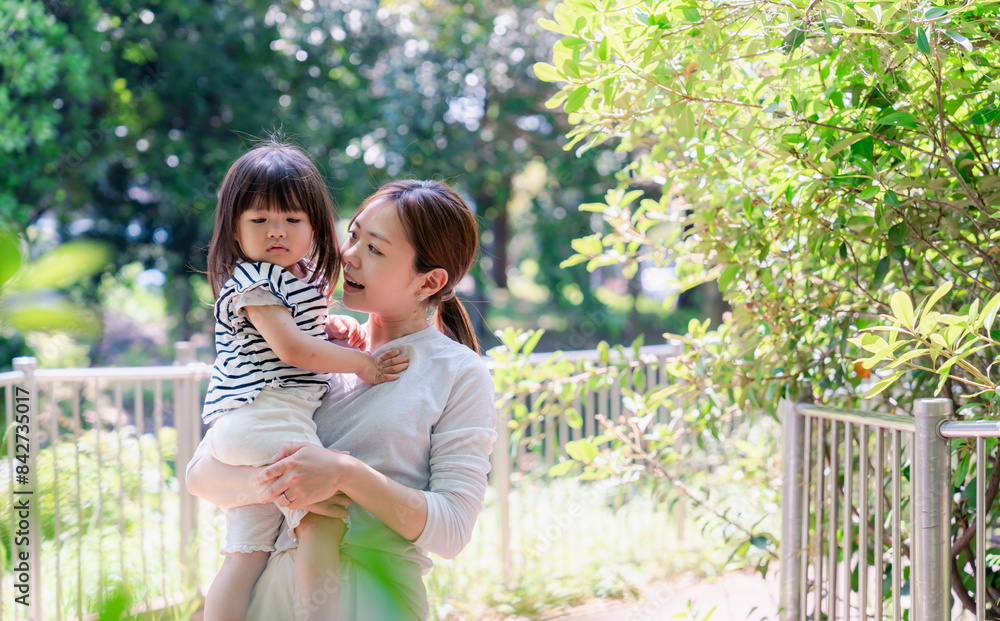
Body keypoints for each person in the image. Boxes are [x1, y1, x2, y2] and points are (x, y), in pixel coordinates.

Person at [187, 179, 497, 620]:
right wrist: (288, 486)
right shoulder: (308, 347)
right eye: (353, 235)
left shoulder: (458, 373)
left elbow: (452, 531)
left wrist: (344, 474)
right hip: (265, 602)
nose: (349, 255)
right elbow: (200, 476)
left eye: (375, 249)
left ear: (429, 281)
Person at [199, 142, 409, 621]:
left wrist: (328, 329)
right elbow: (291, 349)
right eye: (259, 220)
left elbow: (298, 332)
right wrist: (363, 364)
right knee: (323, 512)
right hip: (266, 416)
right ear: (233, 228)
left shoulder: (293, 278)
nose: (277, 231)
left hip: (247, 425)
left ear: (314, 226)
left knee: (246, 553)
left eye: (292, 219)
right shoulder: (254, 280)